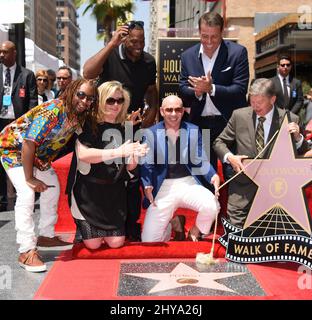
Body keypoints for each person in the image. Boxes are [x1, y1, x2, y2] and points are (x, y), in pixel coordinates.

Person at [0, 79, 98, 272]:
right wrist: (30, 178)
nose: (85, 101)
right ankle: (26, 250)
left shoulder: (80, 115)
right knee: (27, 194)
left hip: (38, 156)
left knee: (52, 188)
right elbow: (29, 143)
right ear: (71, 91)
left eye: (90, 98)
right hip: (14, 150)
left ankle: (45, 235)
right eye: (81, 95)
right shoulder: (53, 110)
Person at [83, 20, 158, 241]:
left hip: (132, 126)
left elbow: (151, 92)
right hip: (107, 126)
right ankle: (101, 223)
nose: (138, 45)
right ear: (124, 39)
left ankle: (130, 224)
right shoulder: (112, 54)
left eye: (142, 41)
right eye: (133, 41)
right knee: (108, 175)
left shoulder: (148, 61)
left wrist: (149, 116)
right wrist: (111, 44)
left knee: (132, 177)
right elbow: (88, 72)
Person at [213, 78, 310, 228]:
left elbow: (304, 152)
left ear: (273, 99)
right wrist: (230, 157)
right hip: (242, 190)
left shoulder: (291, 118)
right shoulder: (239, 116)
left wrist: (298, 137)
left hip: (277, 190)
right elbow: (219, 142)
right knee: (235, 238)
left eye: (260, 102)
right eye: (252, 101)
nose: (255, 106)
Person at [67, 81, 148, 250]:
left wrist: (136, 154)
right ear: (101, 100)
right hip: (88, 194)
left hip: (114, 195)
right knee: (93, 245)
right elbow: (84, 154)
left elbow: (130, 168)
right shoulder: (87, 123)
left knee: (116, 243)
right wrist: (119, 151)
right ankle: (82, 227)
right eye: (110, 100)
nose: (116, 105)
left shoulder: (126, 128)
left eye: (120, 101)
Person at [140, 95, 220, 242]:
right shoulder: (150, 133)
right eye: (169, 110)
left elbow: (200, 158)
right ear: (162, 111)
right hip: (163, 187)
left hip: (187, 183)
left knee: (213, 206)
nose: (173, 114)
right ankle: (170, 225)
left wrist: (212, 175)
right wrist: (147, 185)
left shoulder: (193, 130)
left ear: (183, 111)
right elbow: (146, 163)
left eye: (177, 110)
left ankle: (196, 231)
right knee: (149, 241)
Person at [179, 12, 249, 172]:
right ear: (199, 32)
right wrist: (197, 91)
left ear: (222, 32)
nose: (209, 42)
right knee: (202, 174)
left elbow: (240, 89)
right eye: (204, 36)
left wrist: (211, 89)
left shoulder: (237, 53)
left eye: (214, 37)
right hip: (200, 124)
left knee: (233, 172)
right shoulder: (187, 56)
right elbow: (182, 88)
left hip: (229, 124)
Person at [0, 41, 38, 207]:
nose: (2, 55)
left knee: (20, 159)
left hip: (18, 125)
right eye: (0, 52)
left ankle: (22, 193)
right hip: (1, 122)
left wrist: (27, 125)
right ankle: (2, 196)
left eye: (5, 52)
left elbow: (32, 102)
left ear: (14, 53)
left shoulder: (27, 75)